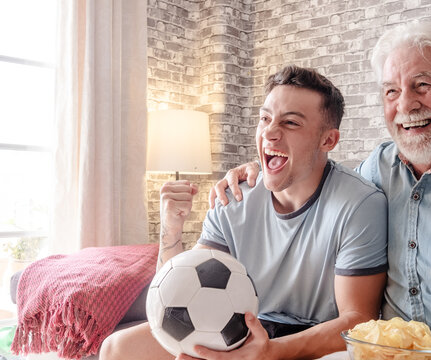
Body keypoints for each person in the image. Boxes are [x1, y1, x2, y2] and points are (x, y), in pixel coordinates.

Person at [211, 23, 431, 359]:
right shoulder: (377, 169)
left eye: (422, 85)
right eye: (391, 92)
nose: (406, 105)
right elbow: (313, 173)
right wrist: (259, 170)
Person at [100, 65, 388, 360]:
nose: (270, 133)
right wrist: (171, 229)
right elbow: (177, 292)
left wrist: (268, 352)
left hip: (313, 338)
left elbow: (358, 320)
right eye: (265, 119)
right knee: (117, 348)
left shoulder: (359, 204)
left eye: (290, 123)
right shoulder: (235, 196)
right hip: (238, 329)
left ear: (328, 140)